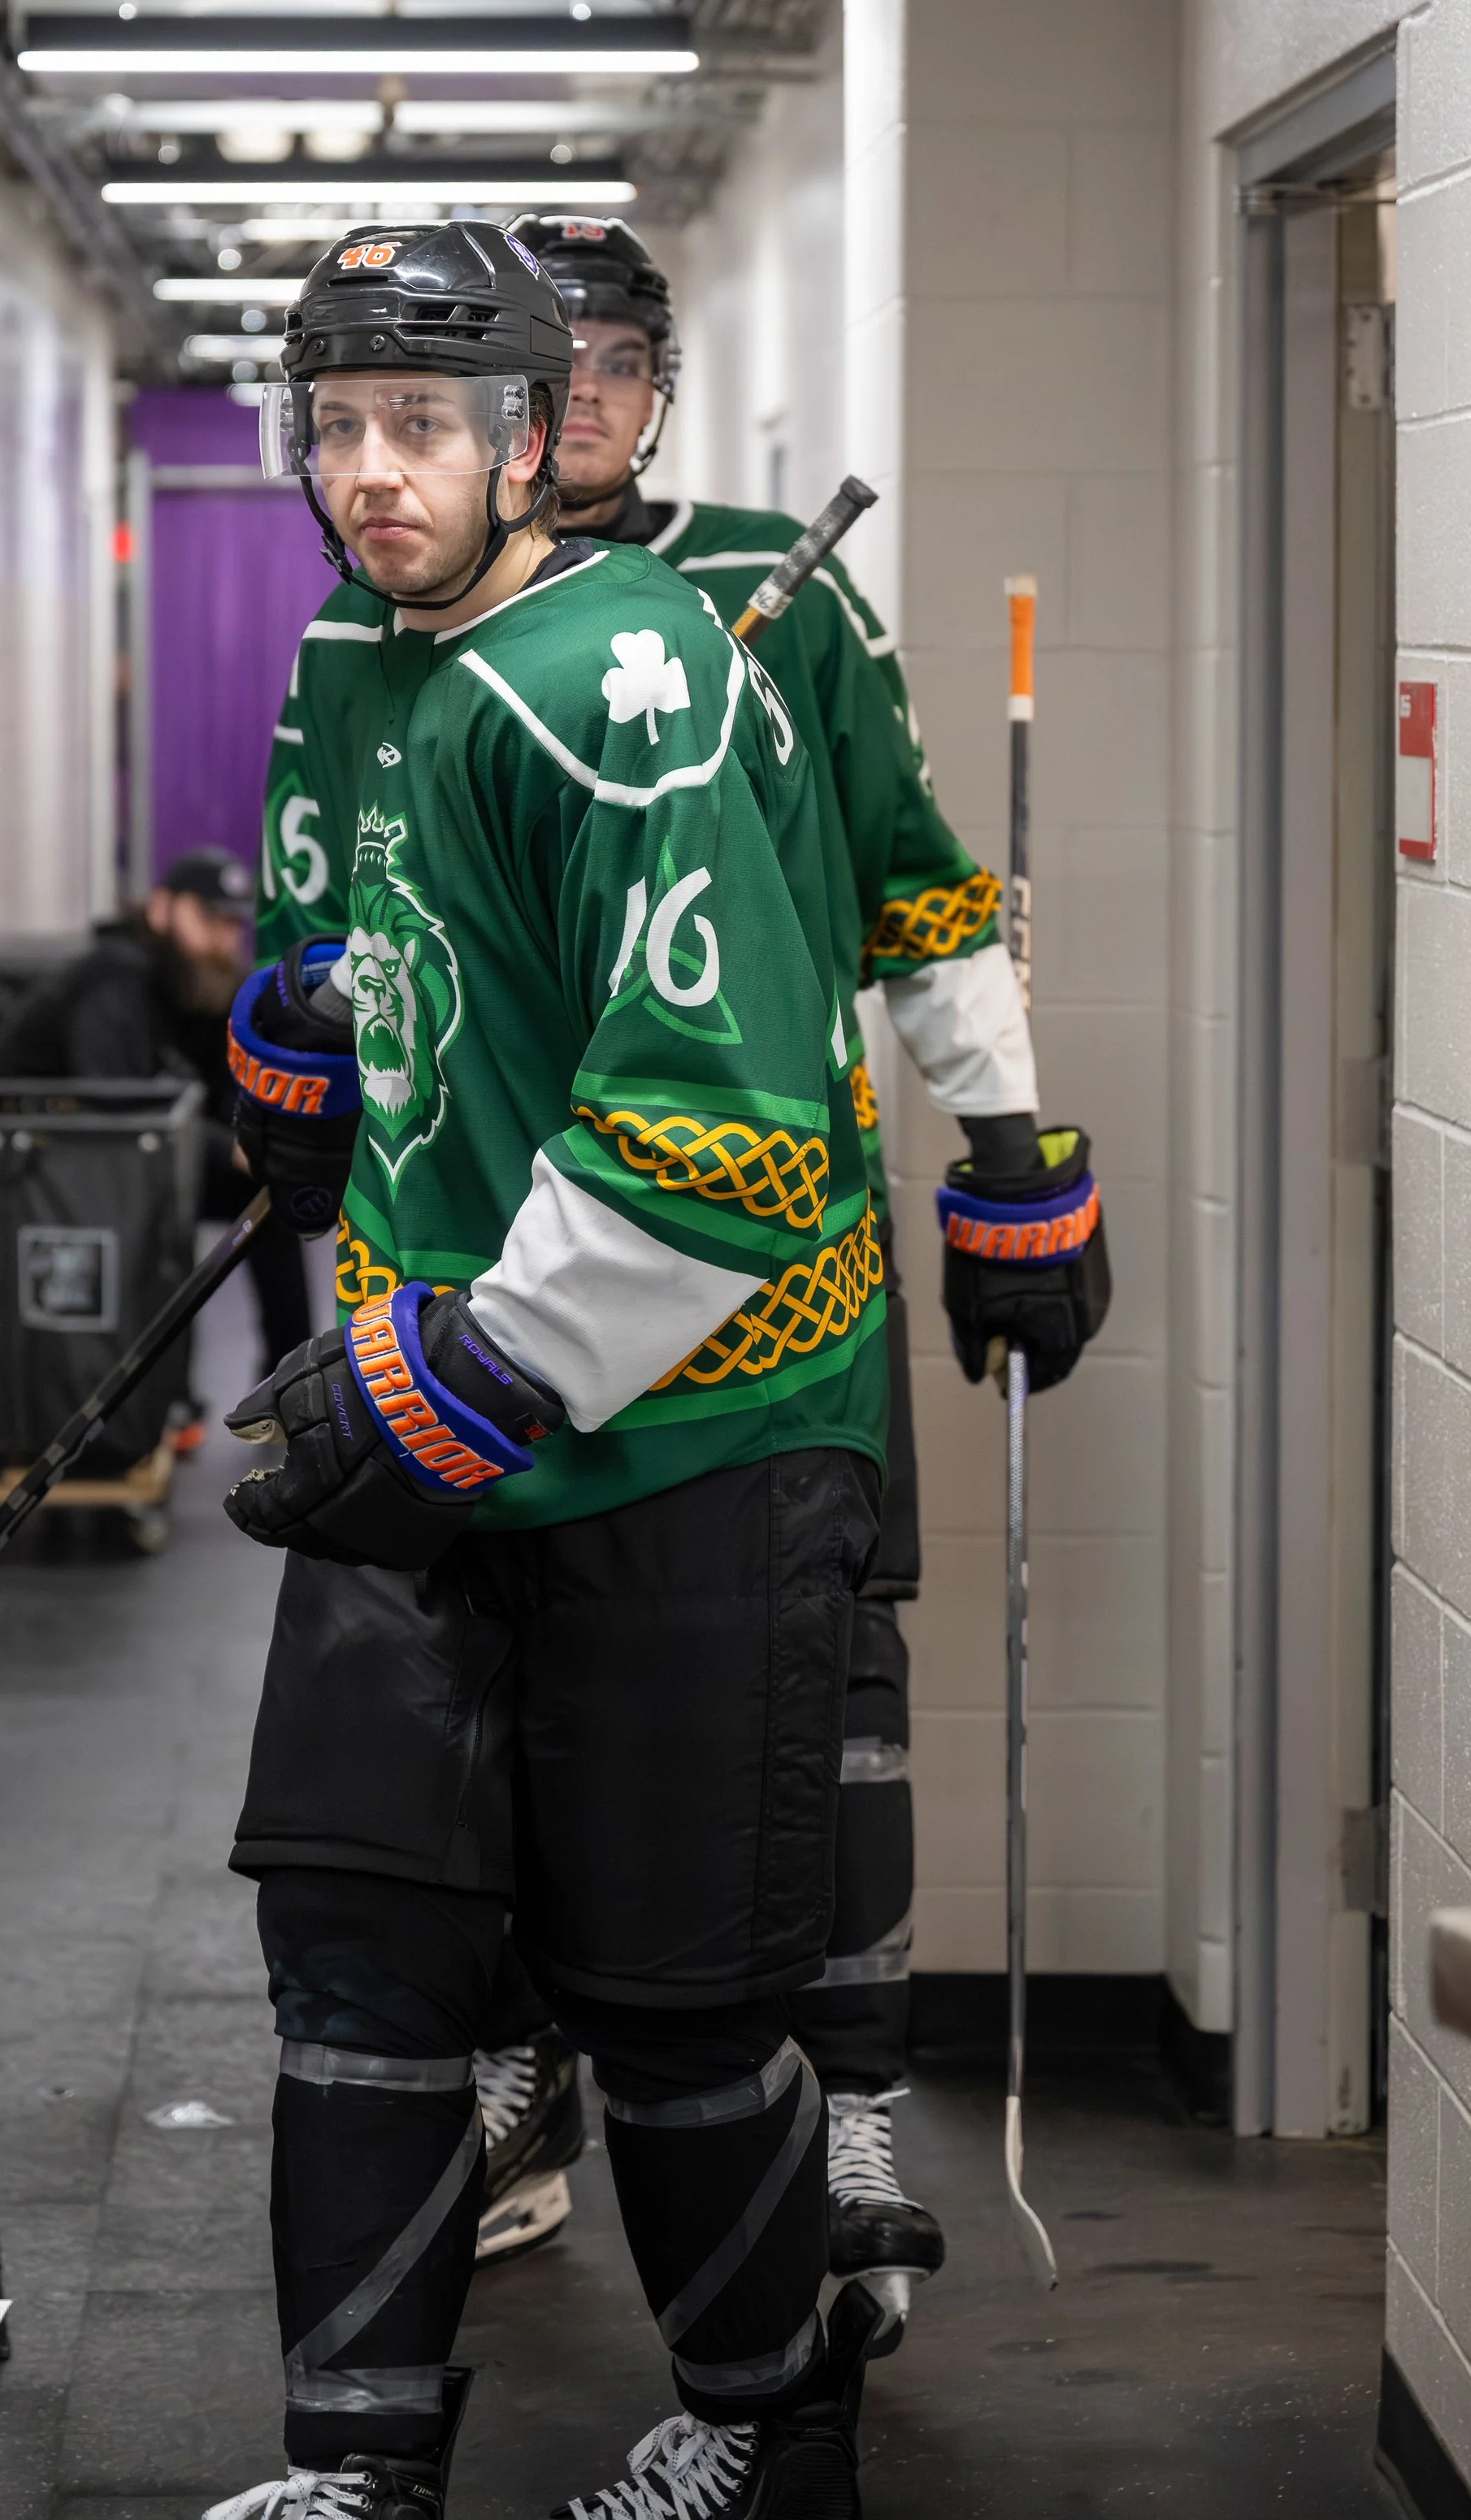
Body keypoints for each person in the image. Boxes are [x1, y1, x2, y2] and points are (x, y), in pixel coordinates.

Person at [206, 219, 933, 2520]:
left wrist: (454, 1377)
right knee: (359, 1956)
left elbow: (724, 1134)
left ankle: (764, 2425)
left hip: (673, 1445)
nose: (369, 470)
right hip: (450, 1423)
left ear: (532, 442)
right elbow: (452, 1010)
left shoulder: (618, 673)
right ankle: (357, 2466)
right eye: (336, 425)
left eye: (421, 424)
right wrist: (323, 1025)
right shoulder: (413, 663)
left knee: (678, 1992)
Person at [501, 210, 1088, 2341]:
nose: (579, 402)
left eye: (614, 364)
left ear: (656, 389)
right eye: (543, 364)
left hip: (778, 1270)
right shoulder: (406, 609)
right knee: (498, 1672)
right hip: (514, 1258)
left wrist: (1007, 1150)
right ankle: (522, 2065)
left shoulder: (778, 591)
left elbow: (916, 896)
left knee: (823, 1692)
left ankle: (846, 2113)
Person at [0, 844, 310, 1376]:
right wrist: (232, 1150)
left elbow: (225, 1095)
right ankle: (166, 1395)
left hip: (99, 1157)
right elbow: (120, 1113)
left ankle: (291, 1375)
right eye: (208, 919)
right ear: (161, 909)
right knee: (179, 1187)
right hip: (23, 1163)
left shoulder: (203, 982)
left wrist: (255, 1138)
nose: (222, 939)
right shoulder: (115, 979)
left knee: (267, 1197)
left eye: (231, 925)